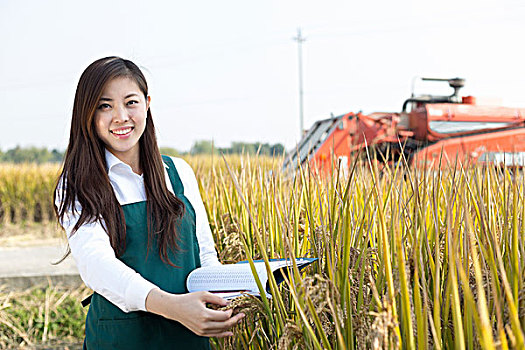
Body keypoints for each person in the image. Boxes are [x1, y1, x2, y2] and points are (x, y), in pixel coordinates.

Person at [54, 56, 244, 349]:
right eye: (105, 106)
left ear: (147, 103)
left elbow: (204, 253)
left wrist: (236, 291)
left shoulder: (178, 172)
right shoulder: (78, 183)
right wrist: (174, 307)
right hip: (122, 339)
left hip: (187, 337)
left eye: (131, 102)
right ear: (87, 114)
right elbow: (97, 265)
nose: (120, 116)